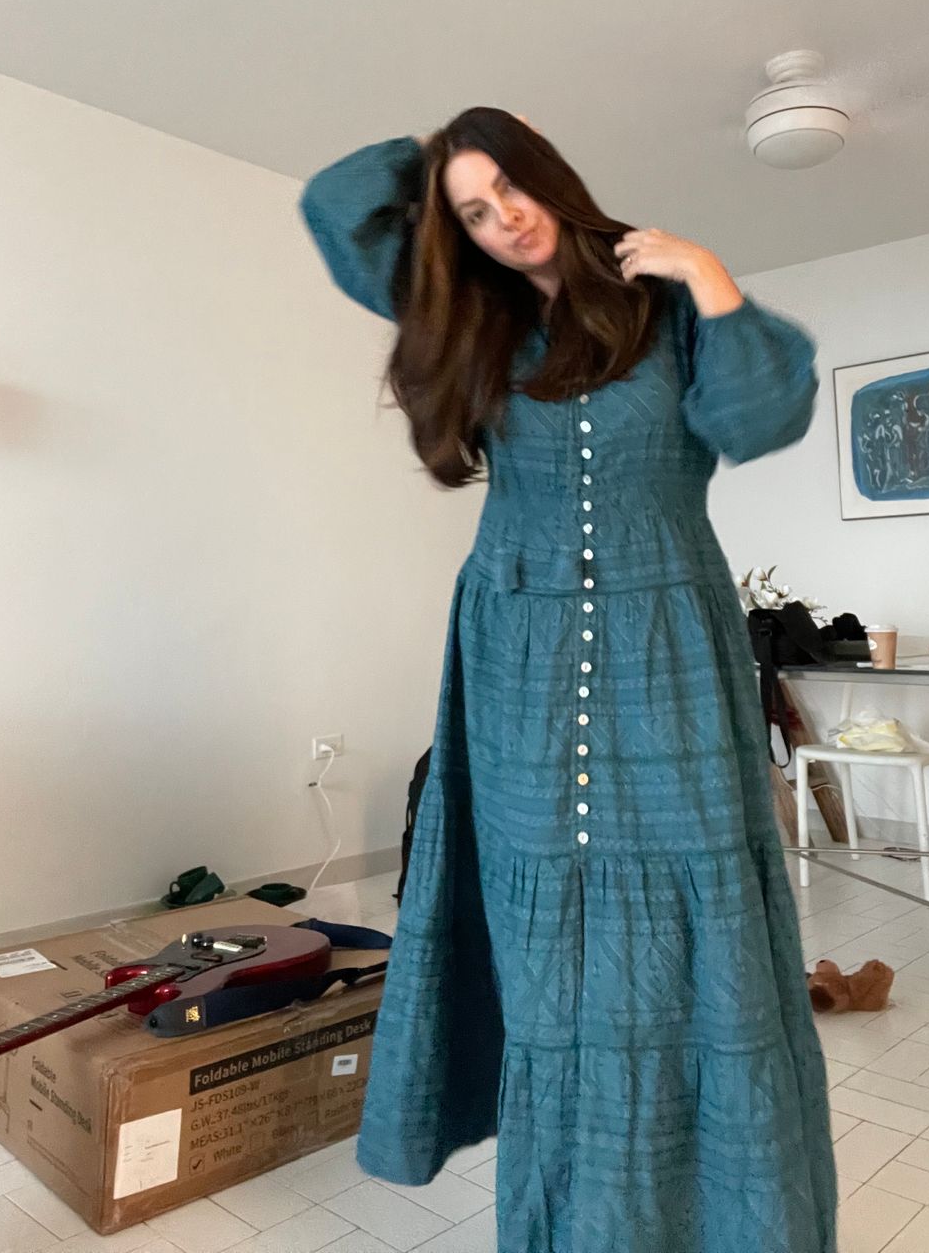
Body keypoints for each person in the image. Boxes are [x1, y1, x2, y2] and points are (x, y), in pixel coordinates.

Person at [300, 108, 837, 1253]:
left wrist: (707, 273)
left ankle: (725, 1221)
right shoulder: (477, 324)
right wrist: (438, 175)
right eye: (476, 214)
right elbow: (335, 204)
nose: (505, 221)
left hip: (668, 647)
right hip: (520, 666)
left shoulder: (664, 308)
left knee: (692, 928)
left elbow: (763, 413)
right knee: (544, 943)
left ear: (552, 177)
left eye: (512, 189)